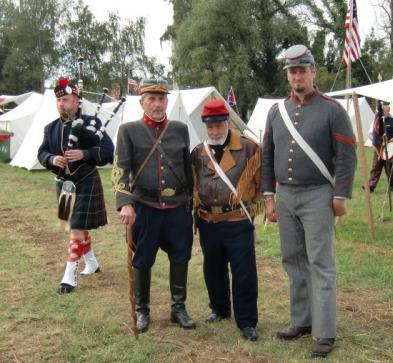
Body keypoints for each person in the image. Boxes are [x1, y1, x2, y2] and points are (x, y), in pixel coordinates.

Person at [261, 44, 357, 358]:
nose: (297, 76)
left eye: (302, 70)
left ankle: (325, 332)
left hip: (318, 194)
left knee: (321, 263)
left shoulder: (333, 110)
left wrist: (340, 195)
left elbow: (346, 156)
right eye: (292, 71)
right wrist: (269, 197)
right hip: (286, 195)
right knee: (293, 260)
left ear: (313, 72)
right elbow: (268, 156)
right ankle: (301, 320)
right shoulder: (276, 112)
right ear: (288, 75)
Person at [112, 78, 196, 333]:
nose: (158, 104)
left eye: (162, 99)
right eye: (152, 99)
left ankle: (178, 309)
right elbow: (120, 170)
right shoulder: (128, 130)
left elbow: (186, 167)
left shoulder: (180, 129)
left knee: (181, 257)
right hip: (144, 208)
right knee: (143, 260)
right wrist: (125, 203)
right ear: (142, 102)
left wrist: (192, 201)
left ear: (167, 101)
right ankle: (142, 310)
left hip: (177, 207)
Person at [191, 99, 261, 341]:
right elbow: (193, 184)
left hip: (238, 219)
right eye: (209, 127)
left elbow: (261, 182)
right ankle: (219, 309)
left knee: (243, 272)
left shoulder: (249, 148)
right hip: (208, 220)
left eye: (219, 125)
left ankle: (247, 320)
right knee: (213, 269)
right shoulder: (198, 152)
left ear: (228, 123)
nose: (214, 131)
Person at [37, 77, 114, 294]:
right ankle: (92, 263)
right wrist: (52, 159)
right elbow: (42, 152)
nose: (62, 104)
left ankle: (69, 275)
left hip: (85, 179)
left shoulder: (92, 123)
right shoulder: (50, 128)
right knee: (74, 226)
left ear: (77, 101)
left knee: (77, 225)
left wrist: (85, 153)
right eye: (59, 101)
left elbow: (108, 150)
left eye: (67, 100)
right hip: (64, 183)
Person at [366, 103, 393, 192]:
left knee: (389, 168)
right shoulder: (376, 121)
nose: (383, 112)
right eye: (382, 110)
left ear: (388, 110)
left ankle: (392, 186)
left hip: (389, 148)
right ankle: (371, 186)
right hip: (378, 148)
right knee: (375, 167)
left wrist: (392, 140)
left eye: (384, 110)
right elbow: (370, 134)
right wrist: (377, 141)